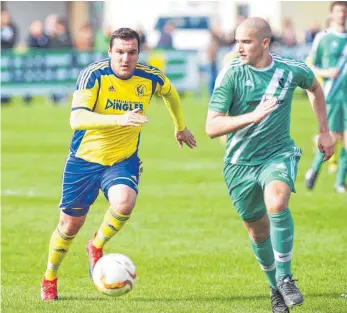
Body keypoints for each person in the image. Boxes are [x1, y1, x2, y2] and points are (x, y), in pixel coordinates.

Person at [40, 27, 197, 301]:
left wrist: (180, 127)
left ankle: (96, 245)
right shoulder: (94, 75)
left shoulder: (149, 77)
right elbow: (77, 119)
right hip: (84, 160)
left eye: (132, 52)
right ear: (110, 52)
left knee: (124, 202)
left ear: (139, 53)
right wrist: (119, 119)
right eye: (120, 52)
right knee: (69, 226)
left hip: (122, 159)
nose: (126, 58)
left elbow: (170, 93)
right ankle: (50, 277)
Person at [206, 17, 334, 313]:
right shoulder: (230, 75)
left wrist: (324, 131)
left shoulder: (290, 69)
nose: (238, 48)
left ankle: (286, 277)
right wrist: (252, 116)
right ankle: (275, 288)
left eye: (246, 42)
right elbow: (211, 127)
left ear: (264, 43)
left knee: (277, 202)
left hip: (278, 154)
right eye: (237, 41)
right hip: (239, 163)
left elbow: (315, 87)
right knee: (256, 230)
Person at [305, 1, 347, 193]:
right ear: (332, 14)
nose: (342, 15)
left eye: (344, 12)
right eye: (339, 12)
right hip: (332, 95)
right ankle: (314, 169)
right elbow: (311, 66)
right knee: (330, 137)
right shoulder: (323, 37)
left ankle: (340, 182)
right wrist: (327, 72)